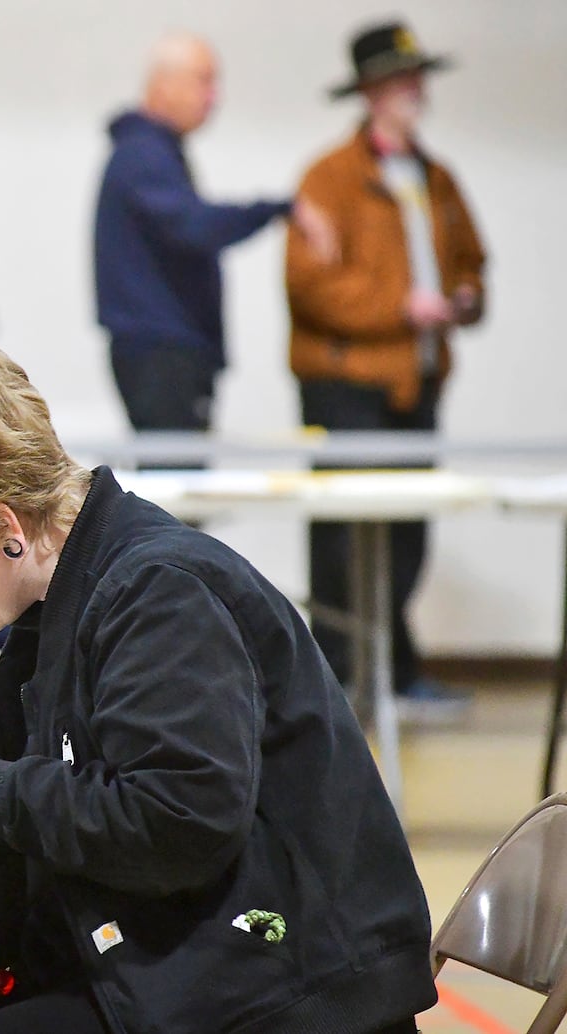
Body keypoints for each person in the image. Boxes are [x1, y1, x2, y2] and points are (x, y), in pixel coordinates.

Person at [0, 338, 436, 1033]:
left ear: (4, 527)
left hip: (278, 1001)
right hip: (184, 978)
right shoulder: (73, 601)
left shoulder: (159, 591)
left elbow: (175, 820)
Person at [286, 20, 486, 722]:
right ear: (370, 91)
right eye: (400, 80)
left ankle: (395, 674)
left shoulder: (435, 177)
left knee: (407, 533)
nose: (414, 91)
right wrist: (402, 307)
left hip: (418, 382)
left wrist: (464, 298)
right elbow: (312, 286)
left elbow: (470, 259)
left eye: (417, 78)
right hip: (347, 384)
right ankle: (335, 682)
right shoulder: (328, 177)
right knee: (342, 537)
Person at [95, 32, 333, 441]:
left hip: (168, 350)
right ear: (164, 83)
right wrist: (278, 209)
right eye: (204, 80)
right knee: (176, 484)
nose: (214, 96)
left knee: (180, 481)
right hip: (162, 353)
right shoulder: (143, 155)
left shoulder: (153, 152)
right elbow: (196, 226)